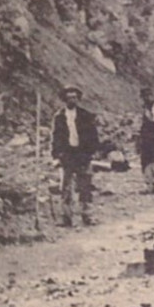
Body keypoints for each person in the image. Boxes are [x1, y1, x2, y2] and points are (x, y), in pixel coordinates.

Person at [50, 85, 100, 227]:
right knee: (66, 188)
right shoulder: (59, 117)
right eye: (69, 97)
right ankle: (66, 217)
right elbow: (56, 137)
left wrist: (91, 152)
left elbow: (93, 135)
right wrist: (56, 155)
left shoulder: (85, 115)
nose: (72, 100)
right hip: (67, 155)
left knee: (85, 186)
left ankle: (87, 216)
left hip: (82, 154)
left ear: (78, 98)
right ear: (64, 99)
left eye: (75, 97)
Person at [137, 86, 154, 194]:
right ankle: (148, 185)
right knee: (145, 159)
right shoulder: (146, 106)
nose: (145, 99)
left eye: (147, 96)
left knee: (153, 159)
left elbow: (153, 118)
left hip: (153, 135)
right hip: (145, 135)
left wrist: (146, 110)